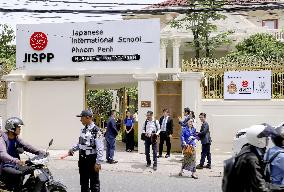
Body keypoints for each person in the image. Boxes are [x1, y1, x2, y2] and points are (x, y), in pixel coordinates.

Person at [0, 117, 46, 191]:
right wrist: (16, 161)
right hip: (6, 165)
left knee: (35, 168)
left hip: (16, 164)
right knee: (18, 173)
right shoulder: (2, 139)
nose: (20, 129)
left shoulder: (16, 138)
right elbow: (3, 155)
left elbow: (27, 146)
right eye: (18, 127)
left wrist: (40, 152)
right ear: (12, 128)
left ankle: (29, 187)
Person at [228, 124, 272, 192]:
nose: (268, 138)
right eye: (266, 137)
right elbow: (260, 186)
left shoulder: (251, 148)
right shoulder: (251, 159)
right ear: (259, 140)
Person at [68, 110, 104, 192]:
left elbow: (100, 148)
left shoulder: (97, 131)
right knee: (83, 183)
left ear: (88, 118)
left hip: (91, 159)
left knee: (94, 184)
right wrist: (73, 149)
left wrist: (98, 162)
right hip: (82, 159)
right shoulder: (83, 129)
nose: (80, 120)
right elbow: (81, 143)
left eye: (81, 117)